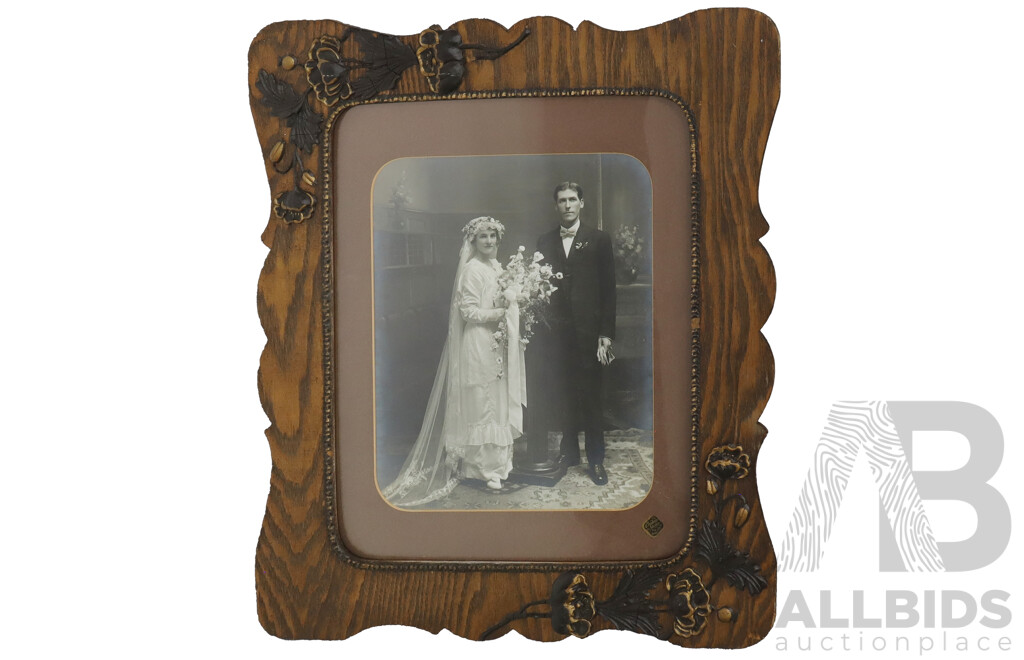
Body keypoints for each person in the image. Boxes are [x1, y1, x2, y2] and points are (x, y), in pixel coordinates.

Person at [382, 217, 526, 506]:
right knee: (482, 401)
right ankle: (481, 468)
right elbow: (469, 313)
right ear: (473, 241)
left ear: (498, 239)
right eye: (482, 237)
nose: (488, 241)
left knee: (496, 400)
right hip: (479, 342)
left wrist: (515, 306)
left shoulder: (497, 267)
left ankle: (499, 464)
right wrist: (503, 313)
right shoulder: (472, 270)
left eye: (492, 236)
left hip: (496, 342)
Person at [526, 182, 616, 485]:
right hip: (557, 335)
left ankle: (596, 460)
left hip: (590, 334)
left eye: (572, 200)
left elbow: (609, 291)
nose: (567, 205)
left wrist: (606, 334)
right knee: (564, 396)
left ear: (582, 203)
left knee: (591, 397)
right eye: (562, 200)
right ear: (556, 206)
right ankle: (569, 453)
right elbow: (539, 290)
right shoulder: (545, 241)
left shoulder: (599, 240)